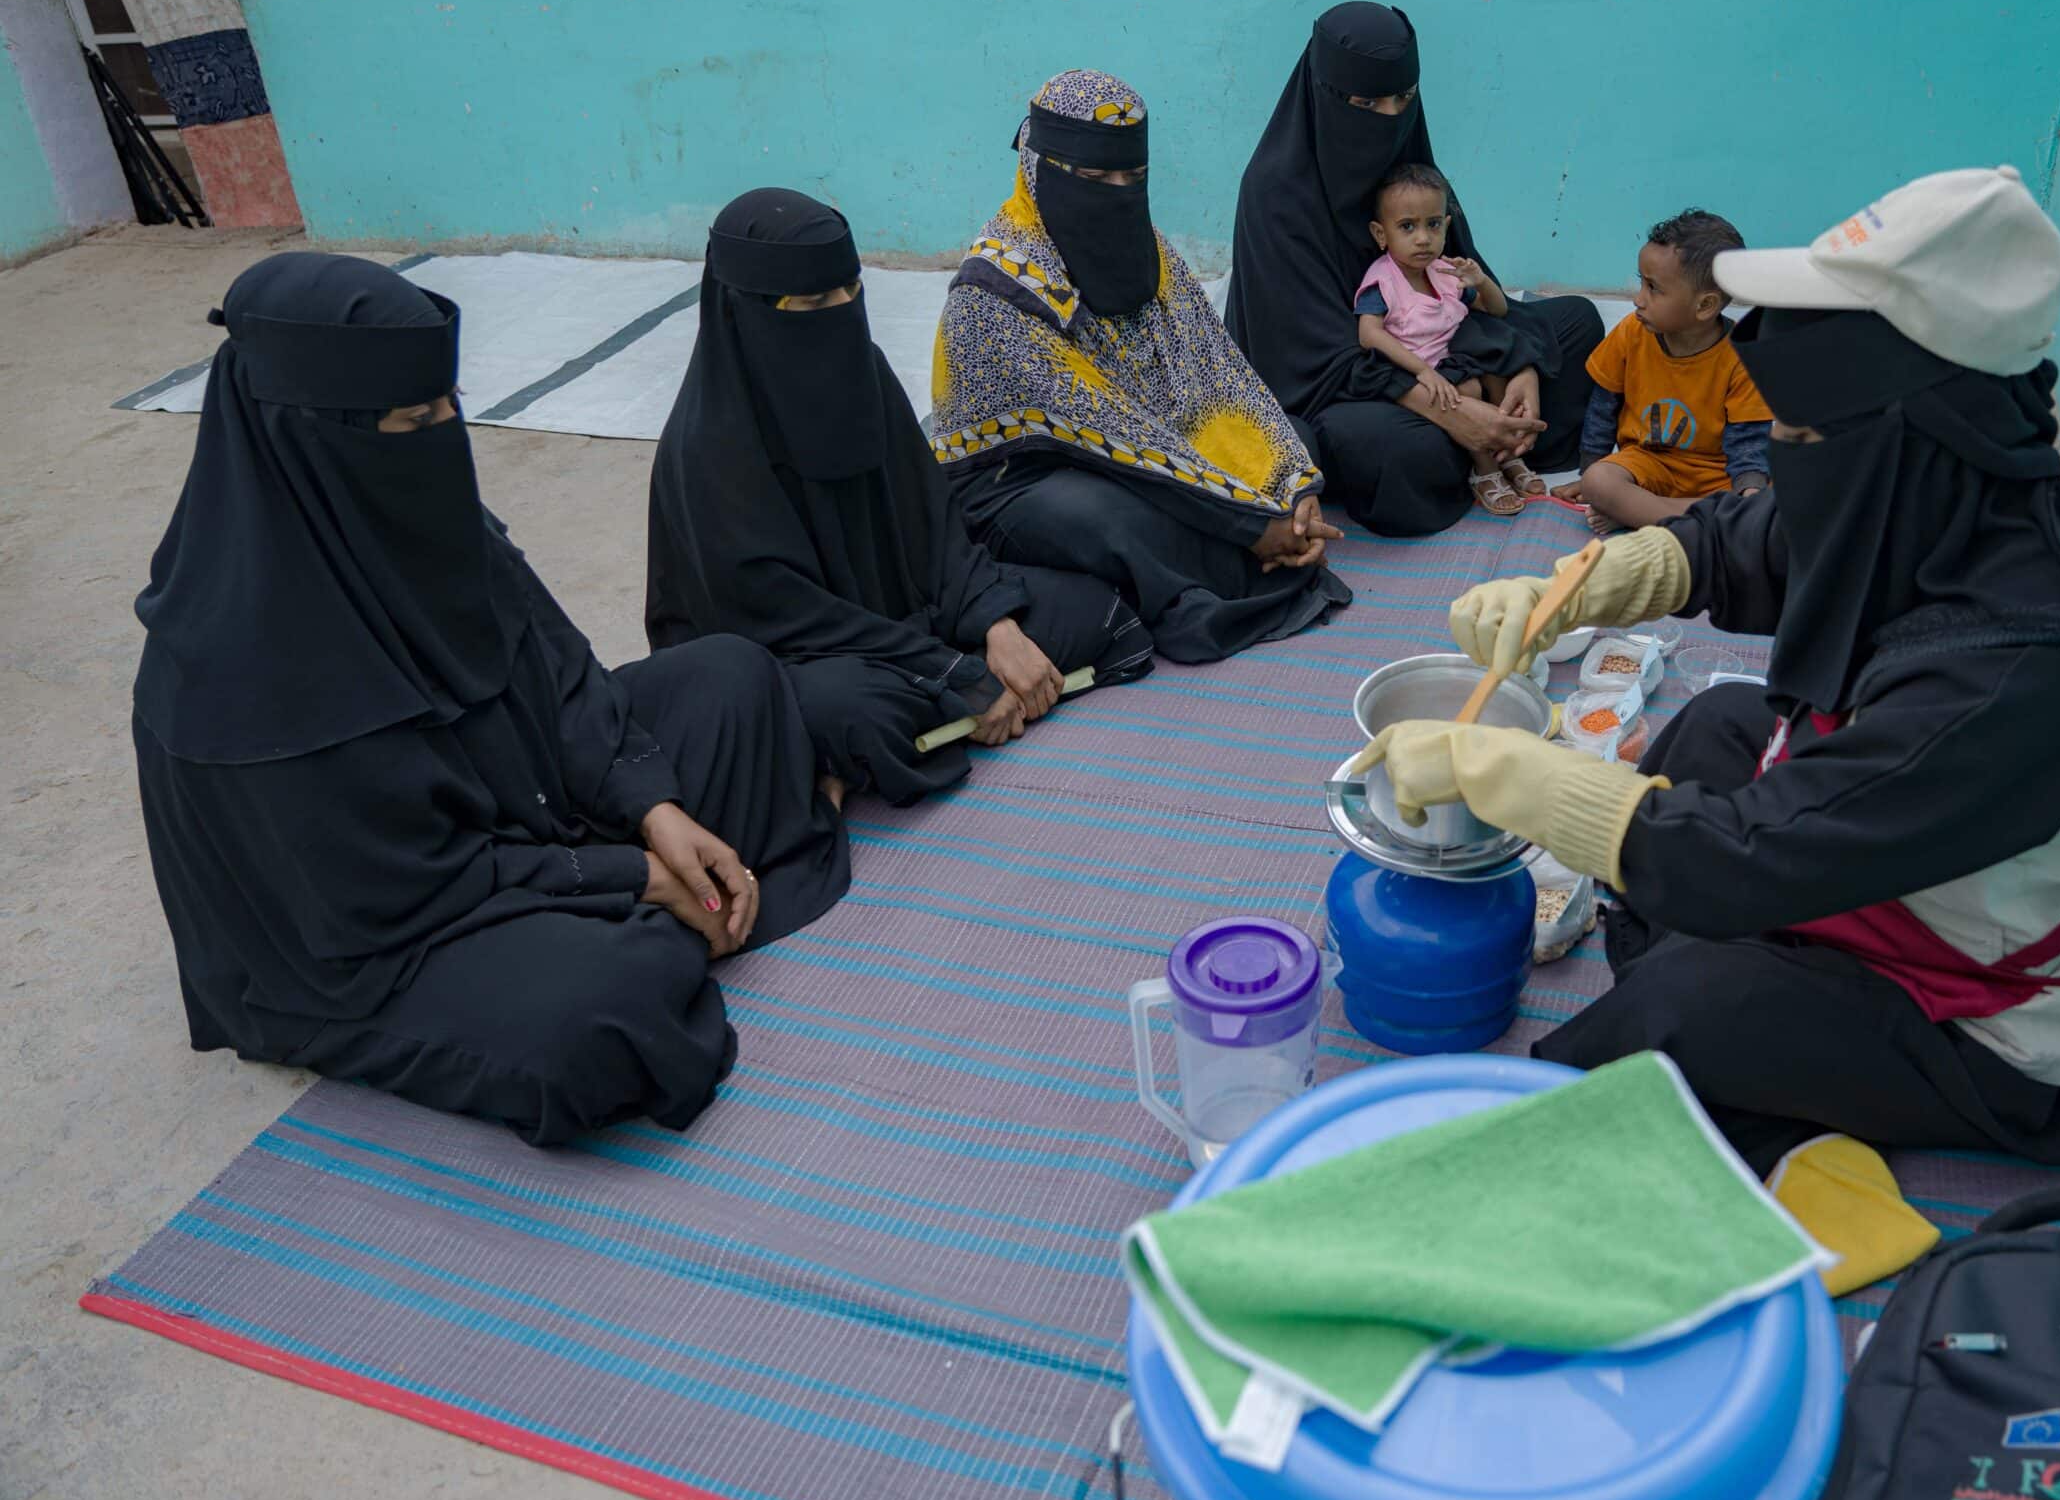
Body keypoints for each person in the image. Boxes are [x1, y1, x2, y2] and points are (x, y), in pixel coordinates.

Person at [1352, 167, 2060, 1178]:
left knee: (1685, 1009)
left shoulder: (2023, 680)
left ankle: (1684, 1037)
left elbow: (1748, 855)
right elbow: (1758, 538)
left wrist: (1520, 779)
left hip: (1994, 1033)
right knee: (1717, 731)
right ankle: (1737, 998)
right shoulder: (1949, 499)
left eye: (1806, 435)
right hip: (1916, 885)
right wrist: (1579, 585)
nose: (1785, 459)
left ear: (1913, 438)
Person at [131, 253, 850, 1145]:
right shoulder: (236, 659)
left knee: (734, 680)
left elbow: (560, 670)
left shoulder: (415, 517)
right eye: (412, 421)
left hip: (524, 809)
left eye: (449, 407)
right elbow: (399, 886)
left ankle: (666, 914)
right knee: (606, 1013)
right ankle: (661, 923)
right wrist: (631, 875)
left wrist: (653, 807)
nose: (442, 438)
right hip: (385, 938)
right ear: (308, 434)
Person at [647, 188, 1154, 806]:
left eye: (852, 290)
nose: (842, 312)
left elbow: (935, 526)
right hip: (802, 655)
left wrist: (993, 625)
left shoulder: (862, 371)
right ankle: (924, 715)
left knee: (1093, 607)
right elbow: (782, 617)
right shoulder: (708, 448)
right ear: (743, 310)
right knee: (853, 713)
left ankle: (920, 726)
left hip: (912, 621)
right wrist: (953, 672)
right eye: (813, 302)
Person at [932, 69, 1351, 663]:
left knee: (1292, 438)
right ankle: (1234, 567)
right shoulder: (993, 295)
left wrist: (1292, 485)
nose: (1118, 192)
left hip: (1147, 440)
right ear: (1040, 169)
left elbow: (1219, 371)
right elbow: (1109, 434)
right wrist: (1252, 520)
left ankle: (1254, 546)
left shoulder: (1147, 248)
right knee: (1111, 520)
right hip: (1021, 475)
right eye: (1095, 178)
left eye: (1133, 176)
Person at [1225, 0, 1607, 536]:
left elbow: (1467, 291)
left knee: (1577, 323)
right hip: (1347, 386)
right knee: (1382, 447)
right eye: (1366, 102)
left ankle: (1492, 443)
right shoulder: (1277, 195)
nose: (1389, 118)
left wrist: (1518, 367)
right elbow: (1316, 361)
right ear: (1323, 94)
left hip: (1444, 357)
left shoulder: (1412, 171)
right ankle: (1484, 447)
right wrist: (1451, 411)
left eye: (1403, 98)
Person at [1352, 163, 1550, 516]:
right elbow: (1368, 335)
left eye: (1432, 225)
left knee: (1499, 369)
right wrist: (1422, 372)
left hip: (1457, 357)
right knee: (1469, 390)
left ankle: (1509, 452)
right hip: (1417, 369)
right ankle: (1484, 469)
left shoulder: (1444, 271)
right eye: (1407, 226)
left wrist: (1481, 282)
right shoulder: (1382, 281)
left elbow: (1498, 311)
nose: (1423, 238)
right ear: (1381, 234)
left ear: (1445, 226)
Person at [1560, 209, 1773, 534]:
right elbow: (1602, 410)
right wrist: (1591, 472)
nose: (1638, 299)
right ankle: (1709, 522)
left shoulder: (1742, 354)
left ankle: (1638, 513)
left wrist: (1750, 490)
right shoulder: (1631, 333)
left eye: (1653, 288)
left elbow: (1748, 442)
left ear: (1705, 305)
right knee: (1599, 481)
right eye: (1641, 283)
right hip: (1647, 464)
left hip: (1715, 474)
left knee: (1776, 491)